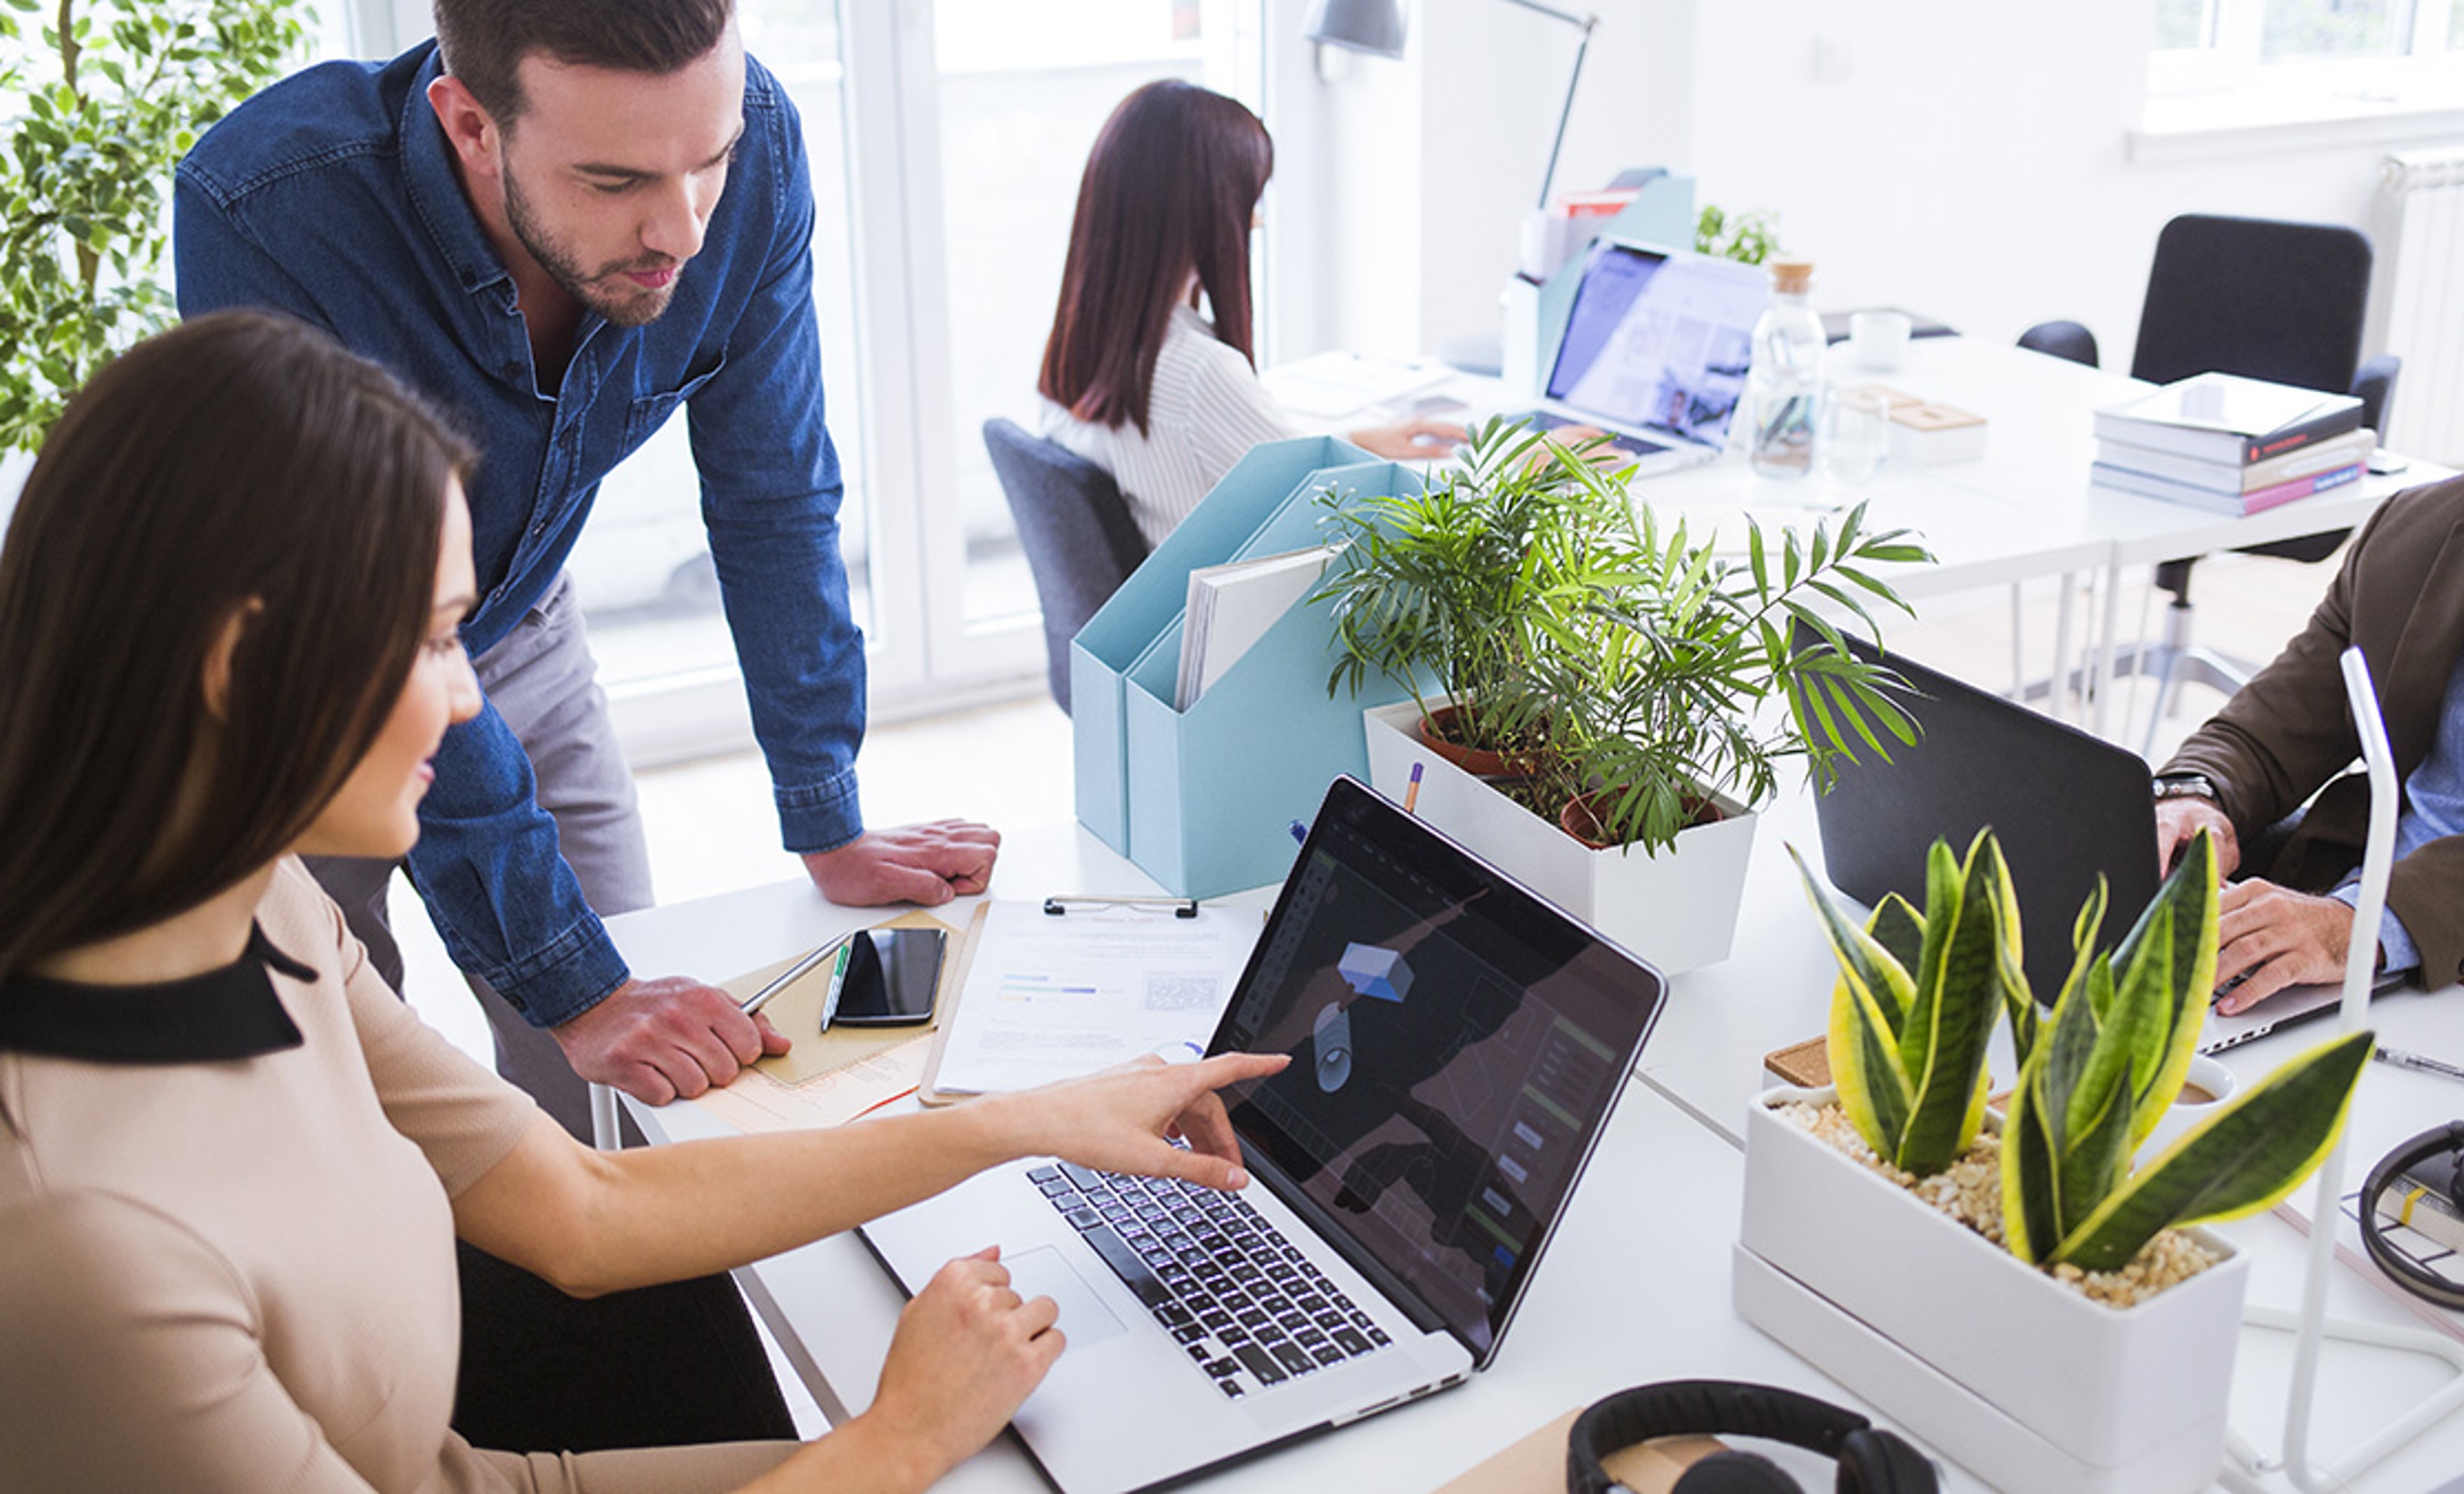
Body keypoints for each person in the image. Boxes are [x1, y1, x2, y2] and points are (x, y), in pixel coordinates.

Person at [0, 309, 1290, 1493]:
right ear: (241, 661)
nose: (467, 699)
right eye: (438, 637)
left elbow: (582, 1210)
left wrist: (1028, 1118)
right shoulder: (84, 1253)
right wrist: (893, 1445)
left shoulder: (266, 910)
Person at [174, 0, 990, 1134]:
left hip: (528, 636)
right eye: (614, 183)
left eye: (705, 164)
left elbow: (774, 491)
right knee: (346, 1117)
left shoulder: (750, 142)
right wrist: (567, 980)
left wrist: (826, 813)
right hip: (310, 695)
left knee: (638, 1093)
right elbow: (361, 620)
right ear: (469, 124)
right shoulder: (268, 209)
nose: (685, 231)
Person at [2152, 147, 2464, 1066]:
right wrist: (2198, 796)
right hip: (2356, 975)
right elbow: (2279, 722)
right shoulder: (2419, 528)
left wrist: (2359, 925)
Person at [1036, 79, 1464, 547]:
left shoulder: (1080, 351)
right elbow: (1345, 518)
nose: (1256, 220)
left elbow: (1276, 467)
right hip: (1242, 617)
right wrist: (1506, 479)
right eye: (1249, 200)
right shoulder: (1199, 373)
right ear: (1205, 211)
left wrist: (1355, 441)